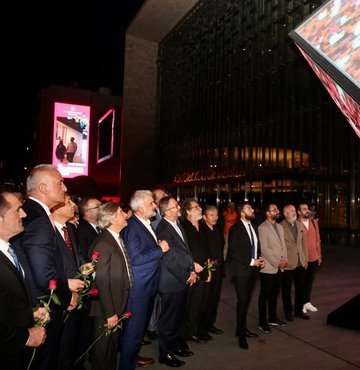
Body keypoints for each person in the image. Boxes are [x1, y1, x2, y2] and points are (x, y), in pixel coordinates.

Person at [12, 164, 72, 370]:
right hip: (42, 305)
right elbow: (43, 272)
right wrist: (66, 295)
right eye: (60, 183)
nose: (64, 189)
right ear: (44, 188)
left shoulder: (34, 212)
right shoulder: (38, 218)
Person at [119, 190, 169, 370]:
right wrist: (160, 249)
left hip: (147, 286)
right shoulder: (133, 227)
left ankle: (132, 358)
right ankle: (126, 365)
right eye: (151, 203)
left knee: (136, 332)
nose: (155, 205)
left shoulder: (144, 223)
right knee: (133, 333)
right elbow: (135, 258)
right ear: (140, 208)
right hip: (139, 289)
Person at [0, 188, 47, 370]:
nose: (24, 214)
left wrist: (30, 314)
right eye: (17, 210)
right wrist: (25, 337)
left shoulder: (9, 248)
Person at [52, 193, 93, 370]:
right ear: (55, 208)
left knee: (72, 344)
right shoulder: (47, 232)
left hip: (77, 293)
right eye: (68, 203)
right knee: (61, 348)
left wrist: (83, 265)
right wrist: (64, 286)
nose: (74, 206)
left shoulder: (69, 228)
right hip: (61, 296)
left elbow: (75, 255)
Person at [89, 202, 132, 370]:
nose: (126, 215)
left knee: (111, 349)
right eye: (122, 212)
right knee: (102, 352)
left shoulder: (115, 238)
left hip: (115, 305)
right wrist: (110, 312)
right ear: (112, 218)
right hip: (106, 309)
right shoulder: (104, 243)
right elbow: (101, 280)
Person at [156, 196, 197, 367]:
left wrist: (192, 269)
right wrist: (186, 275)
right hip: (172, 281)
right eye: (175, 206)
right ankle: (165, 354)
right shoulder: (163, 229)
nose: (178, 208)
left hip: (181, 278)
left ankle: (176, 346)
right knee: (168, 320)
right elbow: (169, 258)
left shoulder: (177, 225)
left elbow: (186, 251)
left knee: (178, 317)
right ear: (166, 211)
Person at [228, 202, 265, 350]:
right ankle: (241, 336)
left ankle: (240, 329)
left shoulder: (254, 227)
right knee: (242, 302)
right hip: (241, 271)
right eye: (249, 208)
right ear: (242, 213)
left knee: (246, 301)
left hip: (252, 272)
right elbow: (234, 252)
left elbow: (256, 247)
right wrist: (252, 261)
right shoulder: (235, 229)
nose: (253, 210)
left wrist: (260, 259)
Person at [180, 198, 211, 342]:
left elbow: (206, 250)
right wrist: (192, 265)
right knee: (187, 305)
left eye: (199, 206)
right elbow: (181, 251)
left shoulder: (202, 227)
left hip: (203, 271)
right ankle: (184, 334)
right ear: (188, 211)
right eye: (196, 207)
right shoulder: (183, 228)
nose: (200, 209)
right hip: (189, 272)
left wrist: (208, 270)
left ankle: (193, 331)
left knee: (199, 304)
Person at [258, 204, 287, 333]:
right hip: (269, 267)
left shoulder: (280, 227)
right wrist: (277, 262)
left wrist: (284, 260)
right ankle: (262, 322)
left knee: (274, 294)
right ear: (268, 213)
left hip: (280, 266)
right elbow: (265, 249)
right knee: (265, 295)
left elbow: (283, 245)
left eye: (277, 209)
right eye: (274, 210)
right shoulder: (262, 228)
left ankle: (273, 317)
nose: (277, 211)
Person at [281, 204, 309, 321]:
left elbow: (303, 242)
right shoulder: (280, 226)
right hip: (287, 263)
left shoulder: (299, 224)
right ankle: (288, 312)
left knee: (301, 288)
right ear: (285, 214)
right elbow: (279, 246)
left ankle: (298, 311)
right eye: (291, 211)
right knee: (286, 290)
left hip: (300, 262)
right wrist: (281, 260)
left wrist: (306, 258)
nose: (294, 212)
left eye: (294, 210)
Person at [201, 205, 225, 335]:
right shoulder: (201, 231)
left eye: (216, 215)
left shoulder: (217, 231)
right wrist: (208, 268)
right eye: (211, 215)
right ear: (204, 217)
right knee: (205, 299)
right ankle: (202, 327)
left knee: (214, 299)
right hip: (207, 270)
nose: (215, 217)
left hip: (218, 270)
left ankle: (210, 324)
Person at [297, 203, 322, 314]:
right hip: (302, 259)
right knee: (301, 282)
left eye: (307, 208)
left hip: (314, 257)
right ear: (298, 212)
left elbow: (317, 240)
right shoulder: (296, 224)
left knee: (309, 281)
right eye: (304, 209)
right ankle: (301, 303)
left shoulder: (313, 222)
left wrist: (319, 255)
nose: (307, 210)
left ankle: (307, 302)